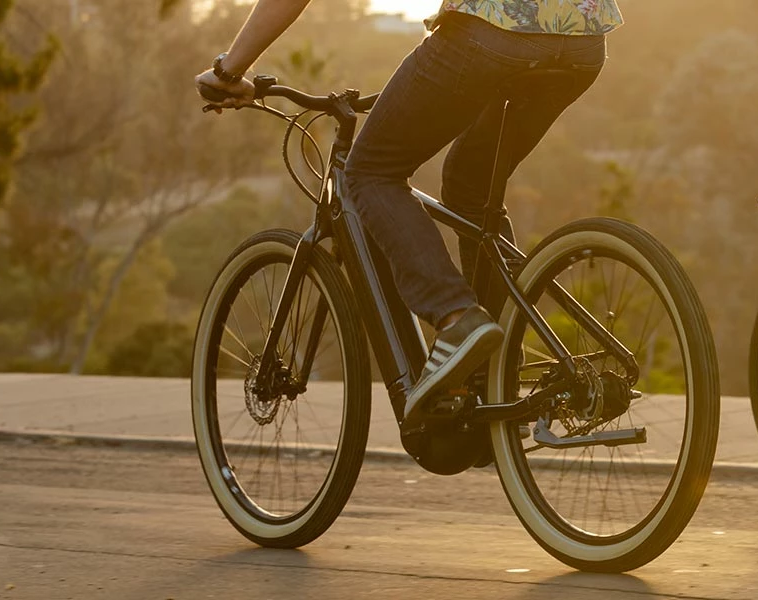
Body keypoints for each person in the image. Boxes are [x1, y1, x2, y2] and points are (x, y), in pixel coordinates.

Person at [195, 1, 620, 424]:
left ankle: (455, 316)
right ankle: (491, 380)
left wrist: (229, 72)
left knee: (370, 172)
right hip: (584, 42)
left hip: (492, 32)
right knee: (472, 185)